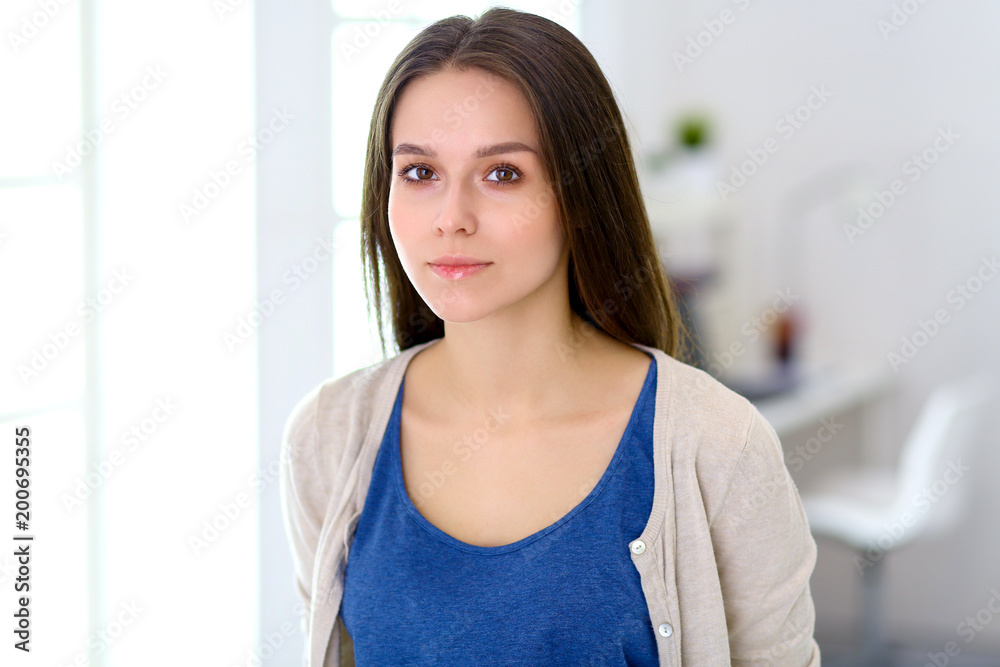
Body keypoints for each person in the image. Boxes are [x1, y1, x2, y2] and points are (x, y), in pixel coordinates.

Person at [279, 7, 820, 666]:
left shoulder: (717, 447)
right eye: (420, 172)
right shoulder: (328, 439)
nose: (452, 218)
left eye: (503, 173)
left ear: (581, 195)